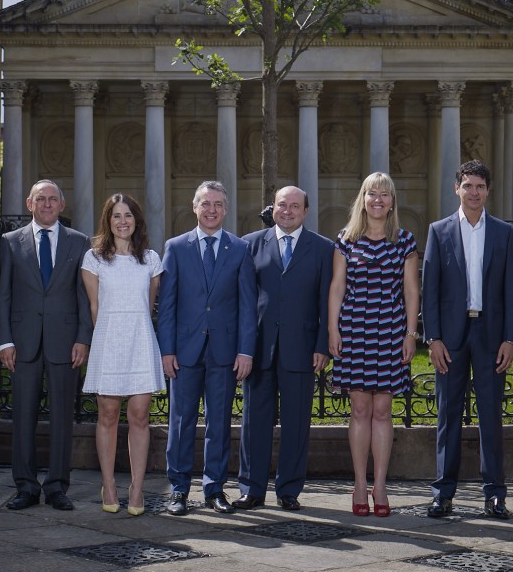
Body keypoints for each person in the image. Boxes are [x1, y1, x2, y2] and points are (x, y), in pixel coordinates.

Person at [422, 159, 513, 520]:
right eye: (468, 186)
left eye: (480, 186)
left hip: (491, 337)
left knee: (491, 416)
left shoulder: (503, 232)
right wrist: (433, 338)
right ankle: (443, 493)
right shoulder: (439, 231)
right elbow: (430, 289)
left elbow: (510, 289)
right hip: (450, 338)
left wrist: (511, 339)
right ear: (457, 189)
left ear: (488, 190)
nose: (474, 192)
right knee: (447, 415)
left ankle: (494, 494)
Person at [156, 180, 257, 516]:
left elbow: (247, 305)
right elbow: (167, 305)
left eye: (217, 204)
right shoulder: (175, 247)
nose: (211, 210)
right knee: (180, 422)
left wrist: (246, 350)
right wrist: (166, 350)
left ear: (225, 209)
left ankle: (214, 489)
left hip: (225, 352)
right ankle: (178, 489)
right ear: (194, 207)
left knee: (219, 423)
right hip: (184, 351)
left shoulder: (240, 249)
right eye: (205, 203)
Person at [0, 180, 91, 512]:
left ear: (62, 205)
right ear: (29, 203)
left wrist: (83, 338)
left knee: (63, 418)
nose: (47, 204)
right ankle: (25, 486)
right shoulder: (10, 242)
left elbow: (84, 296)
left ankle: (57, 486)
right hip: (22, 343)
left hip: (66, 343)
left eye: (52, 199)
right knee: (23, 416)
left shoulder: (79, 242)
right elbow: (3, 295)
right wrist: (4, 340)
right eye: (40, 199)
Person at [234, 186, 334, 511]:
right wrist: (243, 348)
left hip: (302, 349)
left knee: (297, 423)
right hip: (259, 349)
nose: (287, 211)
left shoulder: (323, 248)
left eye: (294, 206)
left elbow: (326, 302)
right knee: (254, 422)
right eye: (281, 205)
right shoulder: (250, 244)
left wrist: (322, 346)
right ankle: (251, 489)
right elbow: (244, 302)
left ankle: (289, 490)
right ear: (273, 208)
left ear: (306, 211)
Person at [328, 172, 419, 518]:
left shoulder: (405, 240)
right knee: (360, 410)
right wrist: (333, 331)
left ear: (392, 202)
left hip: (390, 333)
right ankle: (359, 484)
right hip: (354, 332)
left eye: (384, 194)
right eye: (372, 194)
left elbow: (411, 290)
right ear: (362, 200)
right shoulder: (346, 239)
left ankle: (380, 485)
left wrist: (410, 334)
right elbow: (337, 287)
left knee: (383, 410)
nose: (378, 200)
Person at [81, 193, 163, 516]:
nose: (122, 221)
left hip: (140, 339)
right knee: (108, 415)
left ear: (136, 220)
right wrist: (105, 342)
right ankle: (109, 484)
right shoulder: (94, 259)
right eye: (116, 215)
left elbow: (148, 305)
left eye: (128, 215)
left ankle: (137, 488)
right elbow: (94, 307)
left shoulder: (151, 259)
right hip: (109, 340)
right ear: (108, 220)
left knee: (140, 416)